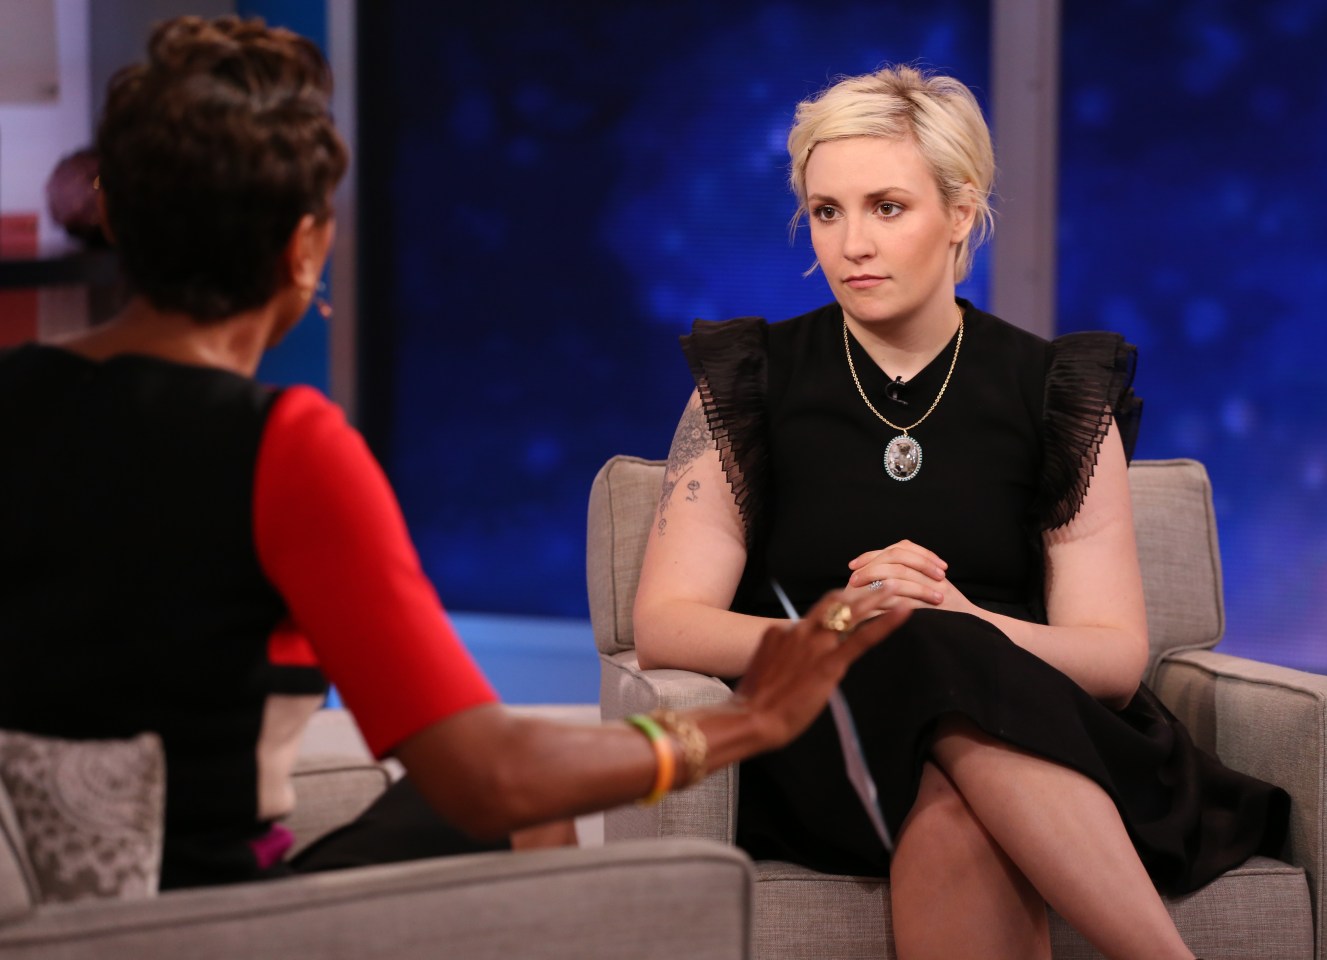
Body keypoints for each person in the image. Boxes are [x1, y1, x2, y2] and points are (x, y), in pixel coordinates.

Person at [0, 15, 911, 892]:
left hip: (43, 918)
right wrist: (751, 722)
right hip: (200, 924)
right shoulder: (282, 444)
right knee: (519, 814)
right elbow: (488, 777)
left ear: (114, 215)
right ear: (304, 248)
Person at [632, 65, 1289, 960]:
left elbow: (1111, 657)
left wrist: (961, 621)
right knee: (909, 643)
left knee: (951, 767)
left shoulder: (1058, 392)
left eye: (887, 208)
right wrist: (846, 627)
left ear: (962, 213)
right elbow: (666, 625)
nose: (852, 244)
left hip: (1039, 725)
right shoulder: (749, 381)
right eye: (826, 212)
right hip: (825, 746)